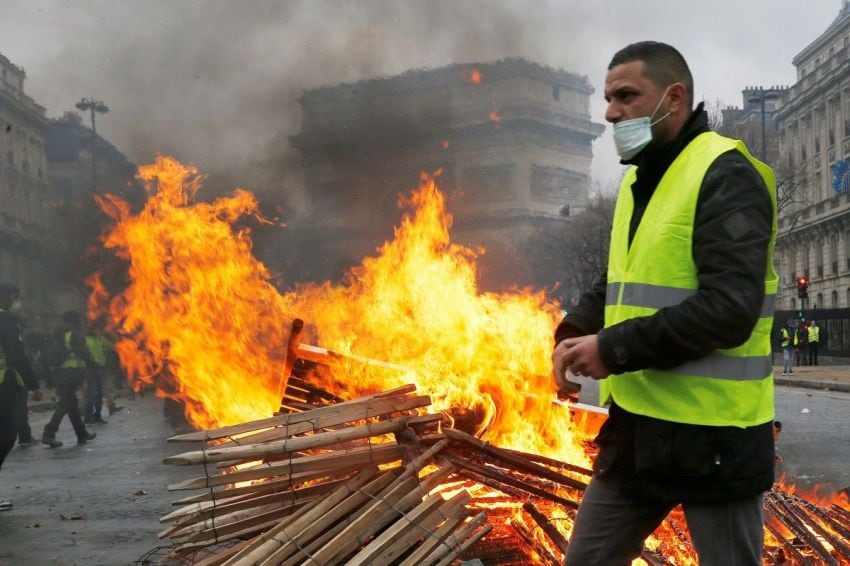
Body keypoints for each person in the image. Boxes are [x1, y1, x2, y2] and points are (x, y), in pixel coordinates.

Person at [552, 41, 776, 565]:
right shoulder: (638, 183)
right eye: (608, 99)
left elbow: (730, 309)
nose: (611, 112)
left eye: (626, 96)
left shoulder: (727, 174)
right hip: (639, 430)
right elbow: (621, 280)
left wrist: (613, 349)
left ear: (673, 98)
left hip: (716, 439)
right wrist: (572, 330)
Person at [0, 282, 42, 511]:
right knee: (5, 436)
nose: (12, 302)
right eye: (10, 297)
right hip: (2, 386)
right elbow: (16, 354)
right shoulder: (4, 319)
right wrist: (33, 383)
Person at [41, 311, 97, 448]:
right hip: (70, 374)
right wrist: (93, 364)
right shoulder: (74, 334)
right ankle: (48, 434)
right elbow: (83, 352)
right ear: (75, 320)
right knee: (65, 404)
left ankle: (81, 433)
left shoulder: (58, 333)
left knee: (71, 405)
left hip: (60, 373)